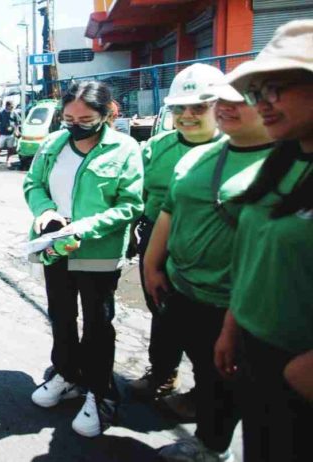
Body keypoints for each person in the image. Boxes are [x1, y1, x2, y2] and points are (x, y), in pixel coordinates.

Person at [144, 76, 274, 462]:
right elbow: (170, 208)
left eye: (243, 100)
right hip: (184, 290)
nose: (228, 107)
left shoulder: (285, 161)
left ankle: (216, 450)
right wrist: (152, 265)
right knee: (208, 372)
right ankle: (210, 443)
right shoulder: (197, 156)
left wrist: (236, 317)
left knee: (238, 387)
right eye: (222, 100)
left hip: (237, 304)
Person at [213, 20, 313, 462]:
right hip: (257, 353)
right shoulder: (285, 160)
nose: (262, 104)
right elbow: (256, 260)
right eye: (257, 93)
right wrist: (233, 327)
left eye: (276, 88)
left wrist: (301, 371)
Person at [23, 80, 143, 437]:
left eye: (85, 118)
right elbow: (33, 184)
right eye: (68, 117)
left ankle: (99, 392)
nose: (75, 125)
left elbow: (131, 205)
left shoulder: (125, 149)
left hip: (98, 254)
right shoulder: (53, 145)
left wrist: (85, 227)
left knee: (97, 324)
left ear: (107, 115)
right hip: (54, 248)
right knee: (61, 314)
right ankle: (66, 375)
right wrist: (44, 212)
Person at [129, 63, 226, 418]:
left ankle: (205, 396)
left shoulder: (235, 151)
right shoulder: (156, 148)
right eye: (179, 108)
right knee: (161, 312)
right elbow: (135, 197)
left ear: (219, 106)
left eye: (199, 107)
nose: (187, 116)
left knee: (207, 331)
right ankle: (163, 373)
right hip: (154, 242)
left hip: (209, 253)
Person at [0, 101, 20, 166]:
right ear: (7, 106)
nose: (12, 108)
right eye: (11, 106)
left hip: (11, 134)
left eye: (12, 107)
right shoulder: (1, 113)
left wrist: (16, 131)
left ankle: (8, 160)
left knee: (10, 148)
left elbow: (17, 123)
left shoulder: (14, 113)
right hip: (2, 133)